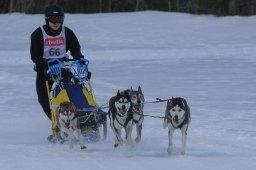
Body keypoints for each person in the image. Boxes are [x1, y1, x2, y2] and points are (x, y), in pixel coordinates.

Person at [30, 4, 84, 121]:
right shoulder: (38, 34)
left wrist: (80, 60)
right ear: (47, 19)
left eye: (59, 19)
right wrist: (46, 63)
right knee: (44, 100)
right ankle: (56, 124)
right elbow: (35, 56)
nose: (56, 22)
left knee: (73, 95)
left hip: (64, 70)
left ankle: (79, 121)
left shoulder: (67, 33)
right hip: (44, 72)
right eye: (52, 19)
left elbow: (76, 50)